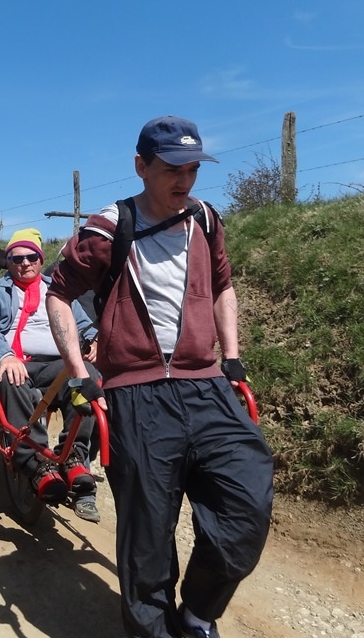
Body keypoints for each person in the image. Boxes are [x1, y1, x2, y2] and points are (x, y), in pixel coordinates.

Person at [46, 115, 275, 638]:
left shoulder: (207, 220)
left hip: (206, 384)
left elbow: (222, 287)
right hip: (136, 392)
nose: (185, 180)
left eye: (193, 168)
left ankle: (197, 613)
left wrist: (233, 358)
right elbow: (57, 294)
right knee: (148, 538)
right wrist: (82, 375)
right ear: (141, 166)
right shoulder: (108, 228)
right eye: (173, 167)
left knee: (248, 503)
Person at [0, 227, 101, 522]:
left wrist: (95, 341)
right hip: (16, 363)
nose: (24, 263)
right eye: (17, 258)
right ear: (8, 262)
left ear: (40, 259)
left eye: (31, 257)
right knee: (12, 376)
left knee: (88, 376)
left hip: (55, 365)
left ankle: (74, 454)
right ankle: (35, 461)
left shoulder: (59, 290)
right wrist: (5, 356)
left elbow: (85, 325)